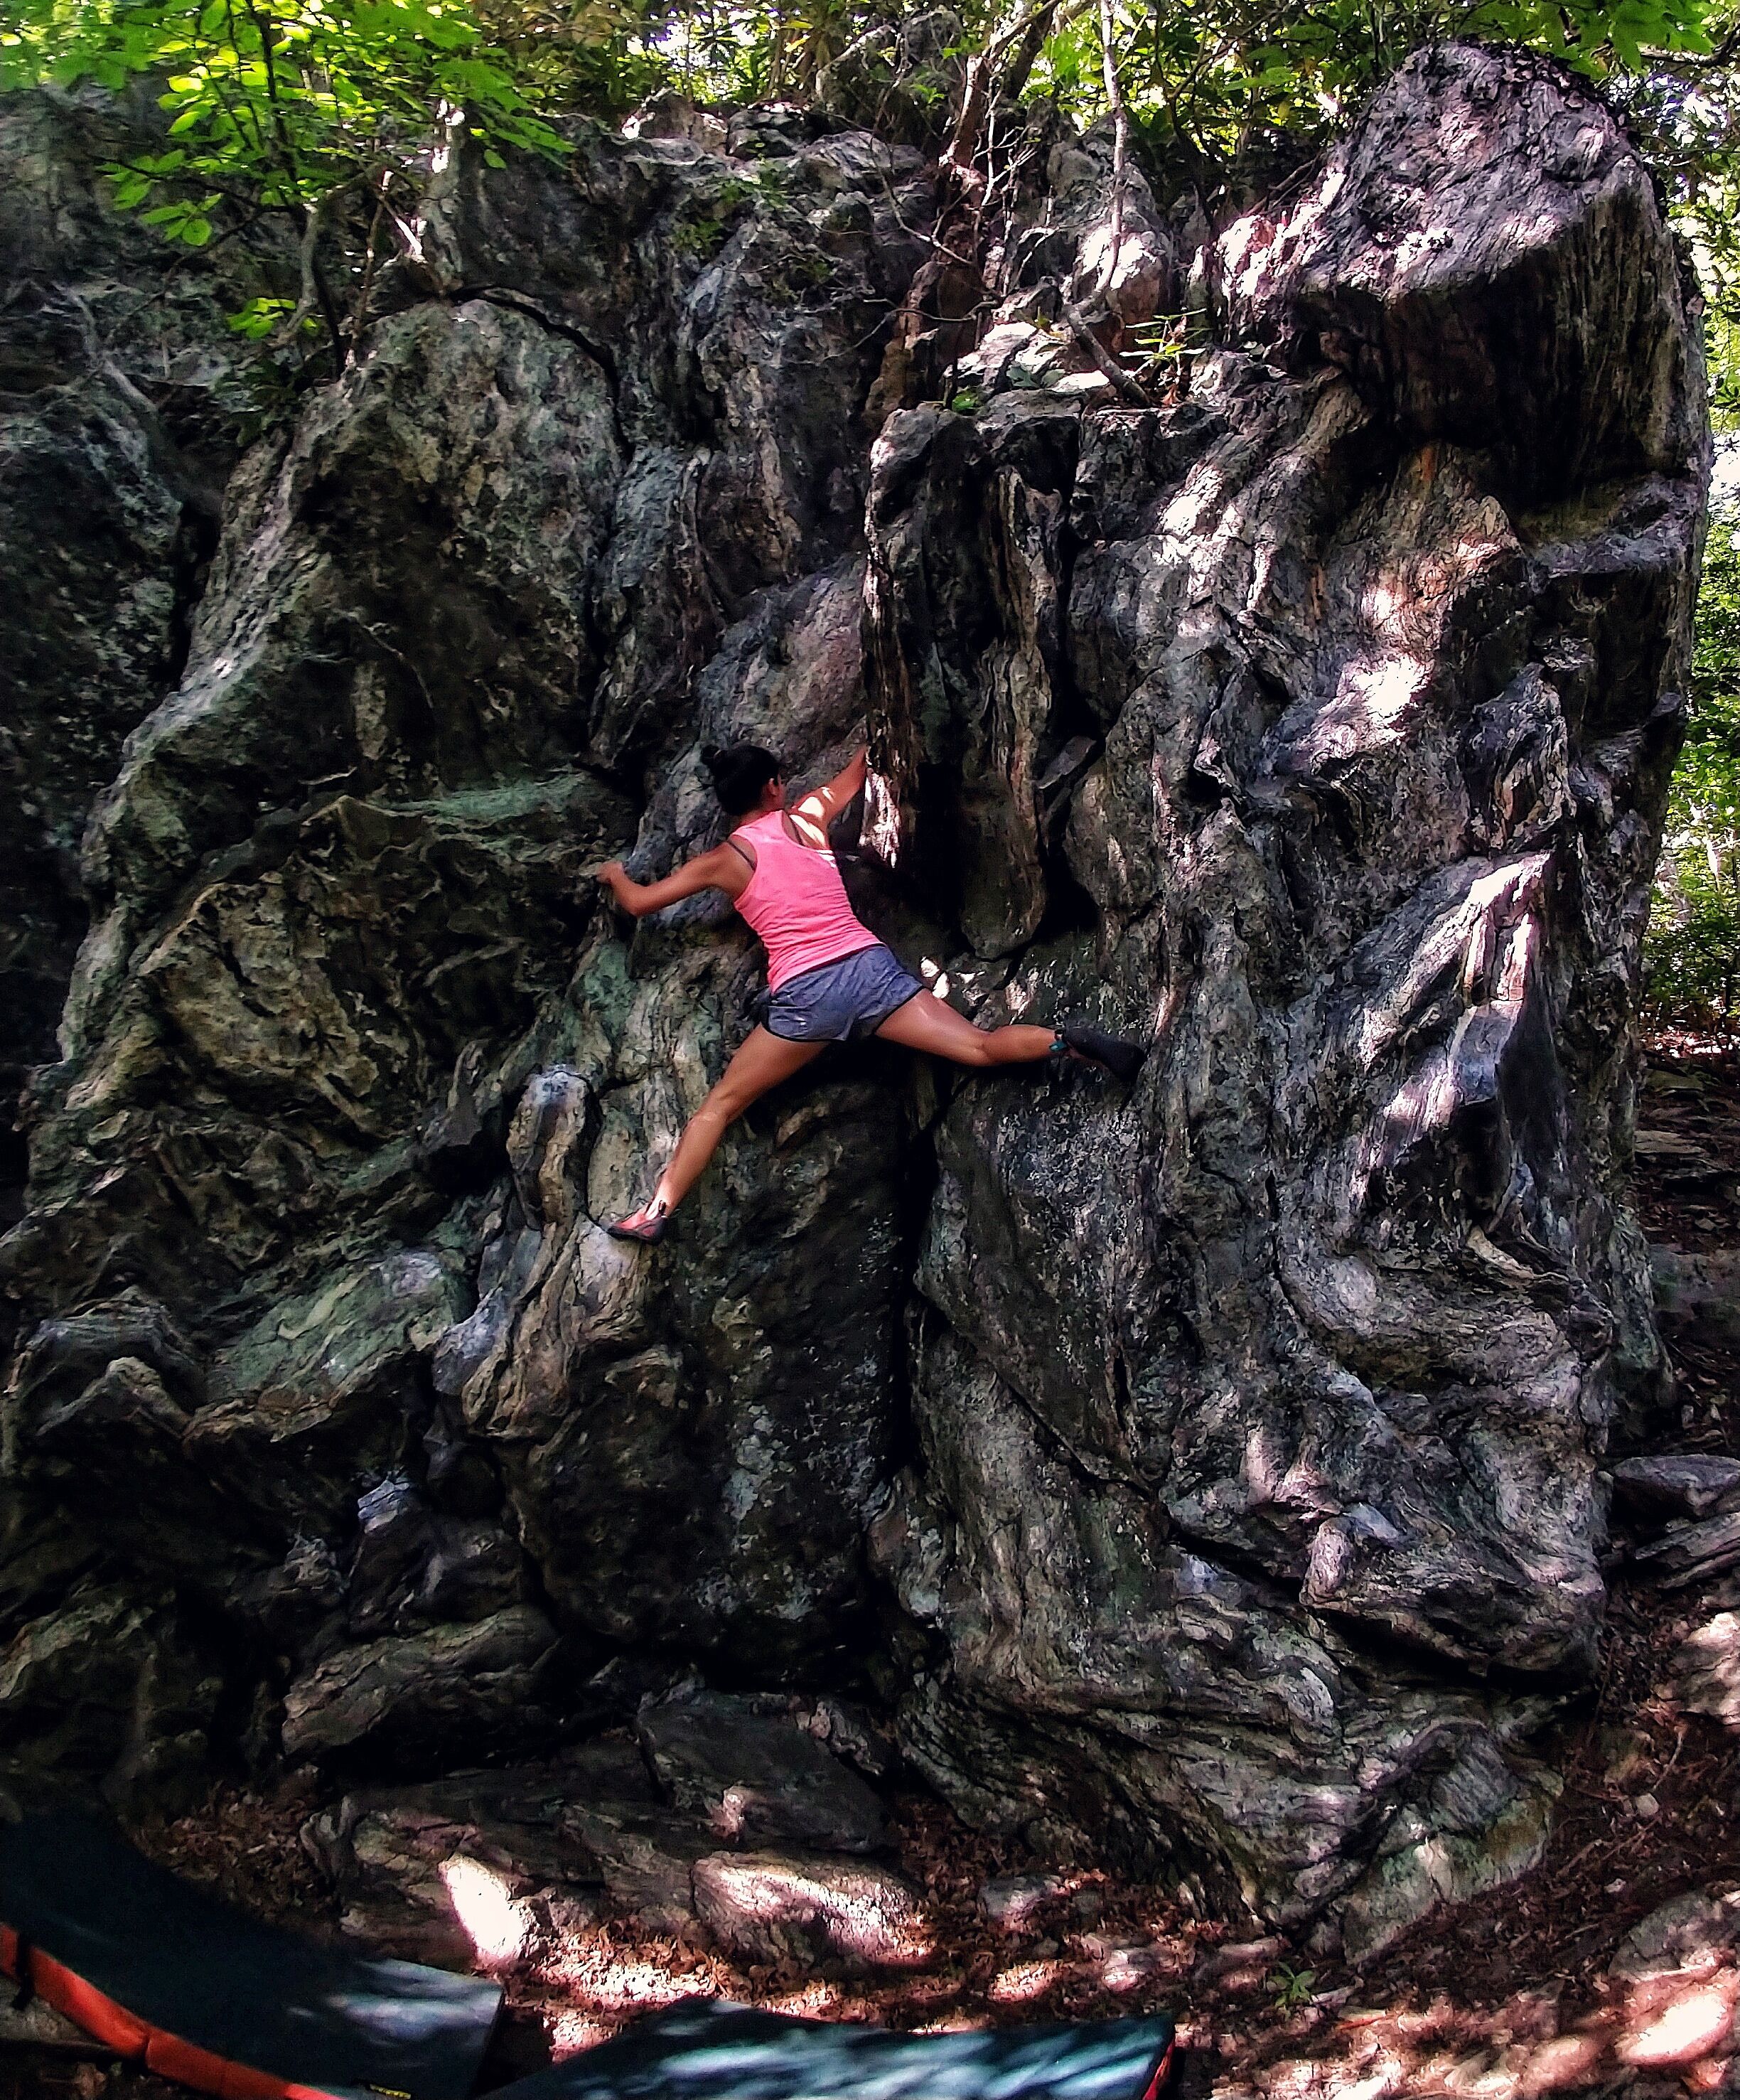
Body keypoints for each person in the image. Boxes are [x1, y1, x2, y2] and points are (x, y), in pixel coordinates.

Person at [594, 740, 1145, 1242]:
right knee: (977, 1046)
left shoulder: (723, 861)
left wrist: (616, 874)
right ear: (773, 787)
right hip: (869, 971)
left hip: (807, 999)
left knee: (719, 1106)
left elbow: (641, 902)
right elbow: (864, 762)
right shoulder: (808, 816)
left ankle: (655, 1212)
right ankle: (1064, 1041)